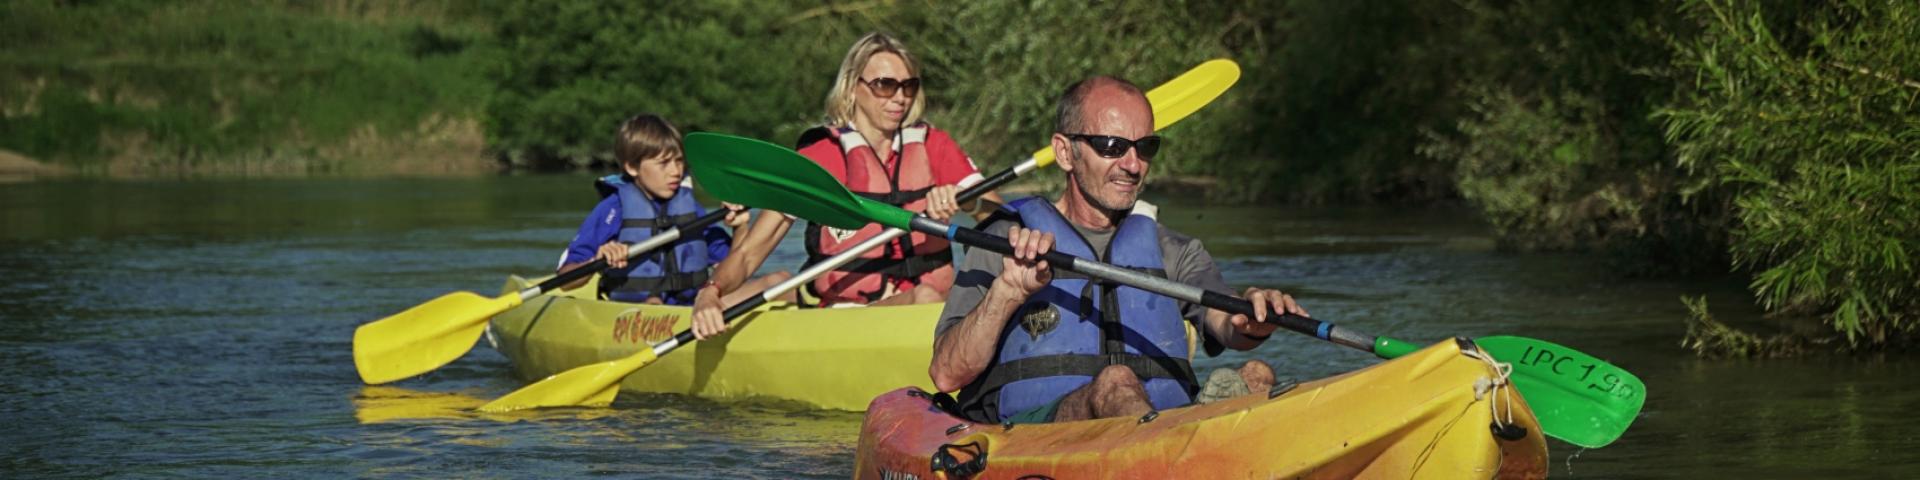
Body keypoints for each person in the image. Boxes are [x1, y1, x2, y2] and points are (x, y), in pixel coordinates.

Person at [927, 77, 1309, 424]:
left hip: (1159, 426)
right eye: (1111, 147)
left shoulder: (1173, 250)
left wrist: (1252, 319)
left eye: (1145, 147)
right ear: (1064, 152)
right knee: (1115, 381)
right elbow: (946, 374)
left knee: (1258, 375)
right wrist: (1008, 292)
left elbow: (1227, 325)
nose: (1132, 164)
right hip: (1037, 432)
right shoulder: (1004, 240)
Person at [689, 32, 1003, 335]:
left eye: (909, 86)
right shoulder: (821, 155)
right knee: (764, 286)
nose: (899, 98)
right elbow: (750, 253)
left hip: (926, 308)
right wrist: (710, 292)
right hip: (843, 316)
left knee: (927, 295)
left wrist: (967, 202)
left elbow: (1002, 221)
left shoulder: (934, 146)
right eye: (884, 85)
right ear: (853, 87)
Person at [556, 114, 792, 337]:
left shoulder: (689, 208)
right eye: (663, 163)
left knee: (780, 281)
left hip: (692, 307)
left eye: (679, 161)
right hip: (635, 316)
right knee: (653, 303)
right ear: (631, 167)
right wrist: (597, 260)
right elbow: (566, 280)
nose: (676, 171)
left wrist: (740, 227)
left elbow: (732, 267)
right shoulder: (612, 209)